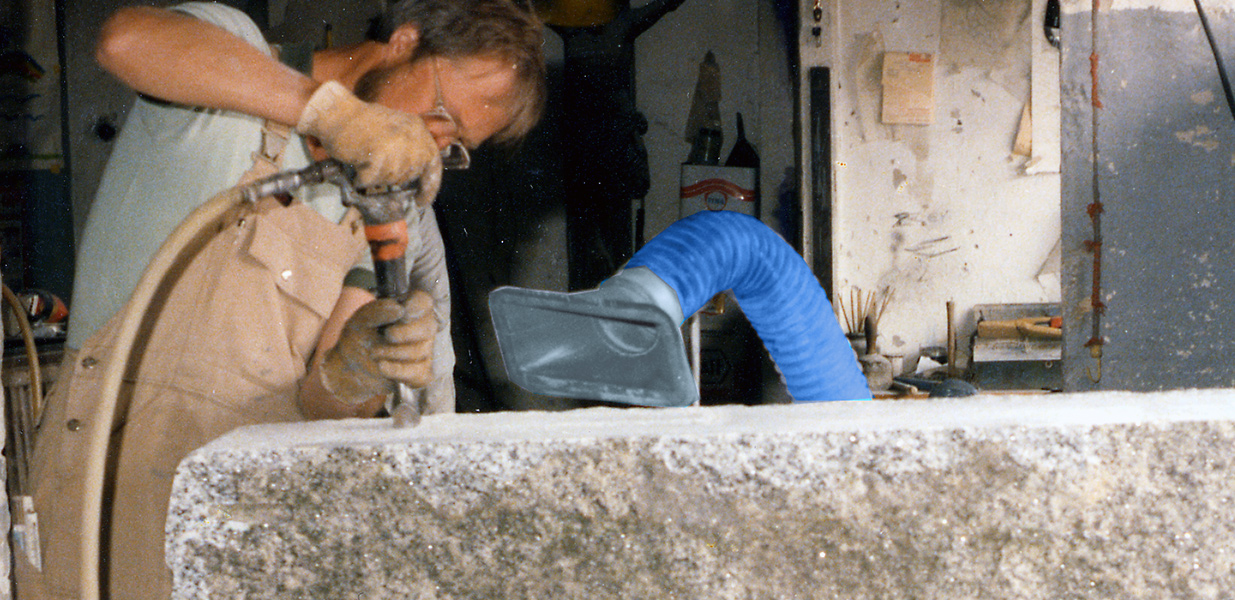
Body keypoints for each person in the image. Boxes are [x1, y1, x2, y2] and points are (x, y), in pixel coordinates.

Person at [14, 2, 545, 599]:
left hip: (247, 510)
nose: (427, 145)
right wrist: (329, 111)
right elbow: (125, 40)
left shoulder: (369, 203)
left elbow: (320, 401)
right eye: (440, 116)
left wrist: (357, 369)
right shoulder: (234, 60)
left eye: (454, 145)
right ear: (404, 41)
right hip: (115, 489)